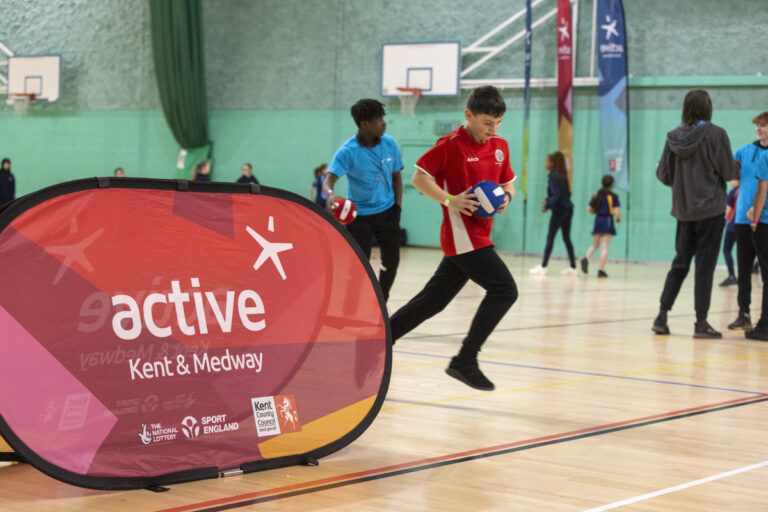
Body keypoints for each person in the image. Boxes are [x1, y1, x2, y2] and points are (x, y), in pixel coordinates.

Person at [389, 86, 517, 391]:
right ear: (468, 115)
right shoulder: (450, 145)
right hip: (463, 237)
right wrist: (450, 200)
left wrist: (506, 199)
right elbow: (419, 178)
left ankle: (380, 339)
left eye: (498, 123)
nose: (493, 130)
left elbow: (508, 183)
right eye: (487, 123)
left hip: (479, 235)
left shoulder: (500, 145)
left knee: (433, 300)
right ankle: (465, 360)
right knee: (504, 290)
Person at [651, 89, 740, 338]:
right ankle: (701, 323)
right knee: (704, 267)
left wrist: (683, 185)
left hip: (683, 211)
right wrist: (739, 166)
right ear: (707, 108)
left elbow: (663, 175)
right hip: (710, 210)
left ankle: (661, 316)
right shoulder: (716, 134)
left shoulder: (673, 137)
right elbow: (728, 172)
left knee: (680, 263)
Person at [323, 99, 403, 302]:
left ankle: (381, 301)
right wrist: (331, 194)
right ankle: (351, 307)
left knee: (392, 261)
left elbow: (396, 177)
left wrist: (397, 209)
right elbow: (328, 180)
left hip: (387, 213)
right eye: (379, 120)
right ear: (364, 124)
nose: (384, 123)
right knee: (359, 265)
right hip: (359, 217)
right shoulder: (347, 151)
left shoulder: (390, 144)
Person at [726, 112, 768, 331]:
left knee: (764, 271)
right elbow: (729, 174)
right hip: (742, 219)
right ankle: (744, 313)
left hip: (764, 221)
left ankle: (765, 320)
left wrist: (759, 208)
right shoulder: (744, 151)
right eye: (757, 126)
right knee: (743, 270)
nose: (758, 129)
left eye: (763, 125)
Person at [529, 151, 577, 276]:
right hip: (568, 209)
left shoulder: (552, 176)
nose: (545, 163)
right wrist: (549, 200)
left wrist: (547, 205)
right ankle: (573, 267)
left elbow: (557, 195)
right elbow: (565, 194)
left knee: (550, 237)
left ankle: (544, 266)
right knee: (566, 238)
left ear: (552, 163)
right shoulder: (562, 175)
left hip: (559, 211)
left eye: (547, 161)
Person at [581, 175, 621, 278]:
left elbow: (589, 209)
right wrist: (618, 217)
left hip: (598, 220)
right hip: (607, 220)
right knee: (605, 247)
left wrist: (597, 212)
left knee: (595, 245)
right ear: (611, 184)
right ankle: (601, 270)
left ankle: (586, 258)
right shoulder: (613, 196)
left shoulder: (596, 194)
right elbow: (616, 210)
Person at [719, 179, 739, 287]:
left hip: (732, 226)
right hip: (744, 227)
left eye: (733, 180)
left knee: (726, 250)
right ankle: (745, 276)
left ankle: (732, 275)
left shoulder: (733, 192)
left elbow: (728, 209)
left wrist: (723, 221)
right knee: (744, 253)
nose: (731, 182)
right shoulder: (746, 191)